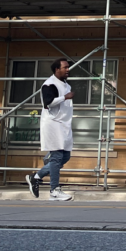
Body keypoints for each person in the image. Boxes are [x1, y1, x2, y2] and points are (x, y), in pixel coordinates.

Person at [26, 58, 74, 202]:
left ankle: (36, 177)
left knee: (65, 157)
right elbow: (48, 103)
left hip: (64, 124)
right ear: (56, 69)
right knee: (57, 157)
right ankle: (54, 190)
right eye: (65, 67)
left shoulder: (65, 84)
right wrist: (65, 97)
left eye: (68, 67)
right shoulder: (49, 84)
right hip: (53, 124)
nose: (68, 70)